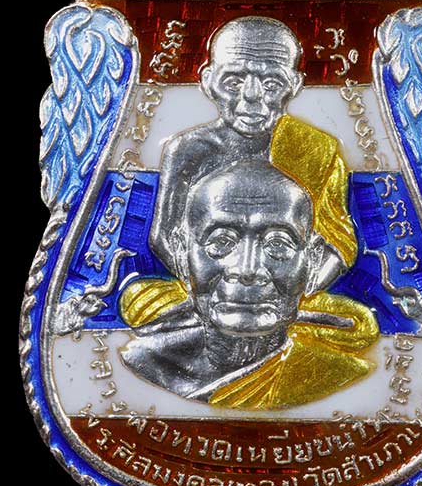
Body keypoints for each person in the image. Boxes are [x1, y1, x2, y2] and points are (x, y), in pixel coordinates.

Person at [120, 161, 379, 408]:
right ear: (181, 253)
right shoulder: (144, 362)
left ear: (312, 260)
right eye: (221, 242)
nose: (247, 270)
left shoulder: (340, 376)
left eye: (277, 244)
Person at [148, 16, 357, 301]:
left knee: (360, 321)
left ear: (295, 85)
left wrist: (296, 296)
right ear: (208, 81)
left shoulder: (314, 150)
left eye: (271, 84)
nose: (252, 96)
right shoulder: (188, 150)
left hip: (283, 292)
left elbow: (339, 243)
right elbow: (163, 237)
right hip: (209, 289)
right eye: (233, 81)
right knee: (140, 303)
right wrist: (206, 293)